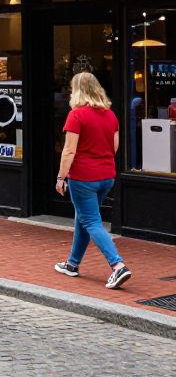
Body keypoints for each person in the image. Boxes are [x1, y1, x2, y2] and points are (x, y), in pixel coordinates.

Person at [54, 72, 132, 290]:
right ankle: (72, 264)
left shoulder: (76, 115)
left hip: (83, 177)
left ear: (77, 90)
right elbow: (114, 147)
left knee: (91, 221)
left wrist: (61, 177)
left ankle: (118, 266)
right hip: (107, 176)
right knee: (84, 218)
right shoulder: (110, 115)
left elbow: (69, 150)